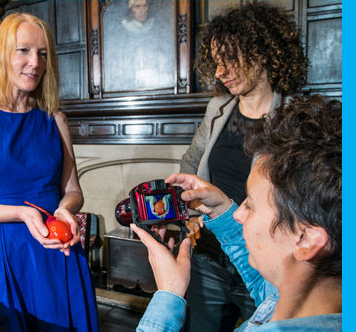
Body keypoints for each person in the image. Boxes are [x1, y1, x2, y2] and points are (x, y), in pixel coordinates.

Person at [0, 13, 97, 331]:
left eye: (42, 53)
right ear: (2, 55)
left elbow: (73, 190)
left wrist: (65, 209)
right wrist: (21, 214)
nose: (35, 62)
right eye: (24, 50)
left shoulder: (55, 119)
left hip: (55, 255)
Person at [135, 95, 342, 332]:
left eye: (250, 205)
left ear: (306, 239)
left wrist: (169, 294)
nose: (238, 213)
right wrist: (220, 209)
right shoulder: (299, 296)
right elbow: (264, 286)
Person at [180, 3, 309, 331]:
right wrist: (194, 213)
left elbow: (305, 197)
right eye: (216, 61)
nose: (221, 71)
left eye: (230, 59)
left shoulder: (297, 115)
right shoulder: (218, 108)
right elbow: (191, 165)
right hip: (210, 256)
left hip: (264, 263)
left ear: (263, 52)